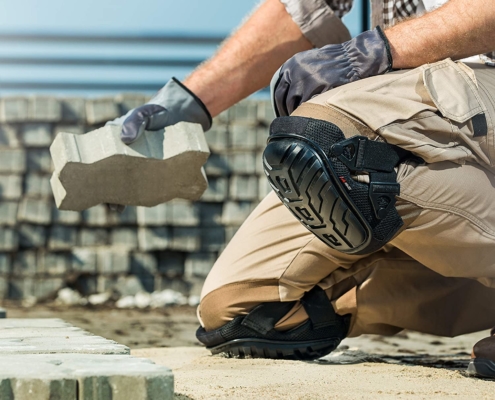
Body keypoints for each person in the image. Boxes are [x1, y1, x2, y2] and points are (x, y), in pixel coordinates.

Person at [109, 0, 495, 378]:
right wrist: (189, 104)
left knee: (334, 144)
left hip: (482, 77)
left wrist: (370, 53)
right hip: (422, 106)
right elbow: (303, 8)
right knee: (244, 311)